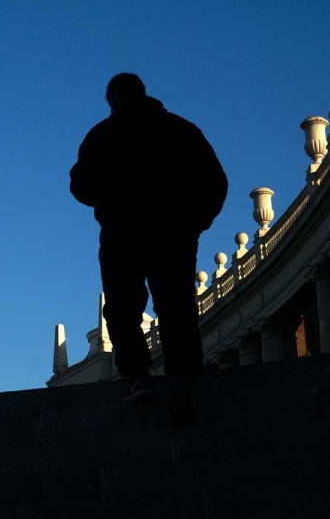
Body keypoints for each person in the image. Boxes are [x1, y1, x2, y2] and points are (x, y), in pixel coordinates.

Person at [69, 73, 227, 423]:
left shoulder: (101, 135)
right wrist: (196, 222)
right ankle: (183, 381)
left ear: (113, 100)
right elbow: (215, 181)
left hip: (122, 233)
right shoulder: (181, 129)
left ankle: (139, 378)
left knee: (123, 308)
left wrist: (107, 200)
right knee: (175, 306)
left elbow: (78, 185)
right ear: (143, 93)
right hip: (173, 233)